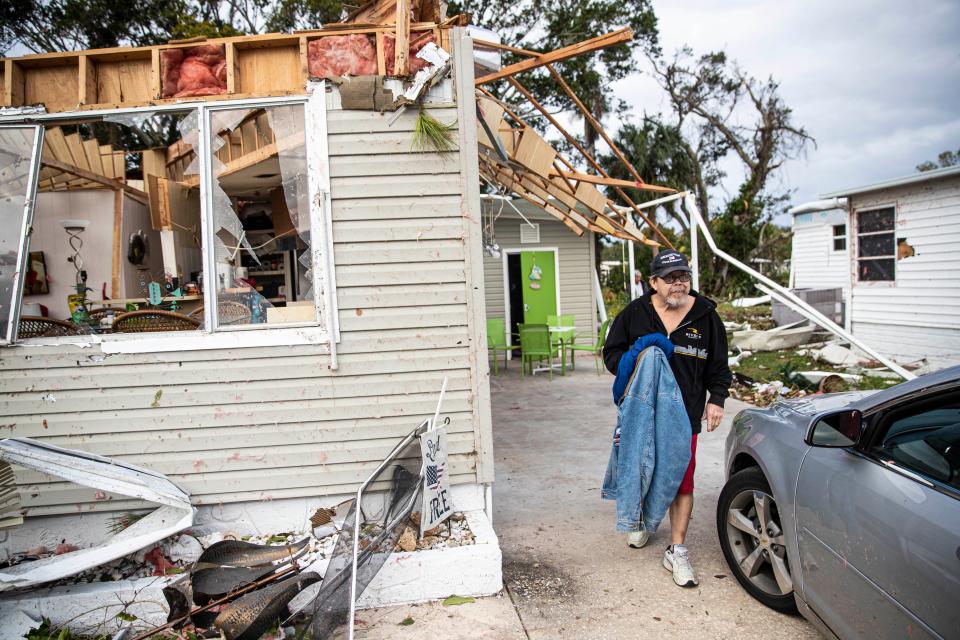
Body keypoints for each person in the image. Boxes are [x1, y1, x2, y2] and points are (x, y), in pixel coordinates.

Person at [602, 249, 732, 588]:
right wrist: (636, 359)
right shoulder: (635, 314)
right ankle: (643, 521)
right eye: (671, 278)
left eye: (684, 276)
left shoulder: (706, 316)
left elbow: (719, 365)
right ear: (654, 282)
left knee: (681, 478)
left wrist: (716, 400)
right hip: (641, 411)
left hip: (685, 412)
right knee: (642, 466)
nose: (679, 283)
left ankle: (677, 548)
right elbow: (611, 355)